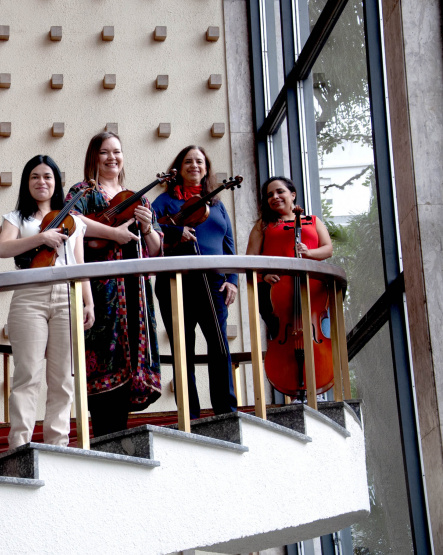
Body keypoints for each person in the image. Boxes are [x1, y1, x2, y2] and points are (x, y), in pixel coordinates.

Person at [65, 131, 163, 438]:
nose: (112, 158)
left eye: (117, 151)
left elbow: (156, 248)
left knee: (132, 359)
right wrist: (114, 234)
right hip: (99, 290)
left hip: (134, 291)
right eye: (105, 152)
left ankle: (117, 436)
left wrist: (147, 227)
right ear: (94, 156)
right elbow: (72, 223)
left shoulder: (139, 198)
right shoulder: (81, 191)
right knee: (102, 361)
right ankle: (103, 437)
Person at [0, 154, 95, 449]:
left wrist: (88, 302)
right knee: (27, 373)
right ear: (27, 183)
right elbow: (3, 248)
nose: (42, 182)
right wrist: (42, 238)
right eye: (35, 177)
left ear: (57, 182)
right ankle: (19, 443)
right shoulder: (17, 218)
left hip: (67, 295)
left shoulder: (74, 221)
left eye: (47, 177)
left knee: (63, 377)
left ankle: (58, 444)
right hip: (29, 295)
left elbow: (79, 264)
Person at [152, 145, 238, 419]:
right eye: (188, 161)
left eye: (199, 161)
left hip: (213, 283)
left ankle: (226, 410)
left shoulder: (217, 204)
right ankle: (189, 415)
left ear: (206, 168)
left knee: (219, 344)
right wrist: (176, 231)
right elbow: (148, 228)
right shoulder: (165, 202)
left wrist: (233, 280)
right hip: (175, 282)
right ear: (179, 168)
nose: (194, 166)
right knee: (182, 347)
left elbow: (229, 246)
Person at [246, 176, 334, 336]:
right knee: (282, 336)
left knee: (320, 335)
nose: (275, 197)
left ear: (293, 194)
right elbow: (250, 257)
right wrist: (264, 275)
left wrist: (309, 253)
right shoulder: (263, 225)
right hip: (276, 293)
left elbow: (328, 249)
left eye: (280, 191)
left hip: (313, 290)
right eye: (270, 195)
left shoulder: (313, 221)